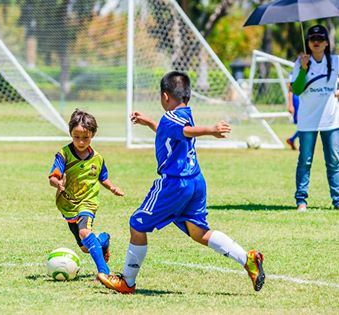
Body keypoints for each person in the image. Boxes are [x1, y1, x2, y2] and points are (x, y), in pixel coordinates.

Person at [97, 71, 265, 294]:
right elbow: (174, 132)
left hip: (175, 183)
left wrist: (211, 130)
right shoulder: (184, 113)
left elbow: (184, 131)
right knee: (199, 233)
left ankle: (127, 282)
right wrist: (149, 122)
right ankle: (248, 259)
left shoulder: (172, 119)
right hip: (195, 181)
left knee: (137, 224)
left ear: (165, 96)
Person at [48, 109, 124, 276]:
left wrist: (112, 187)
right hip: (68, 204)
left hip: (88, 202)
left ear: (93, 135)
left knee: (84, 232)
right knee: (85, 247)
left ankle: (104, 272)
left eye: (85, 138)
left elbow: (103, 177)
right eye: (76, 137)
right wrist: (58, 183)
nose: (81, 142)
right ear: (70, 133)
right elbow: (54, 175)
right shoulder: (64, 154)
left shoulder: (97, 158)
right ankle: (104, 240)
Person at [291, 25, 339, 212]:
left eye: (320, 38)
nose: (316, 42)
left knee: (334, 162)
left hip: (332, 120)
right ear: (308, 43)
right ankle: (301, 200)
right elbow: (296, 90)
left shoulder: (335, 61)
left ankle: (337, 200)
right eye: (312, 39)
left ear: (327, 42)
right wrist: (303, 69)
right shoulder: (301, 62)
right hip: (307, 122)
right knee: (305, 161)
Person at [286, 82, 300, 150]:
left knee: (305, 124)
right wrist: (290, 104)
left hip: (304, 99)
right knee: (302, 124)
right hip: (297, 100)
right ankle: (292, 140)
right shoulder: (294, 73)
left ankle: (291, 139)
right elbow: (290, 89)